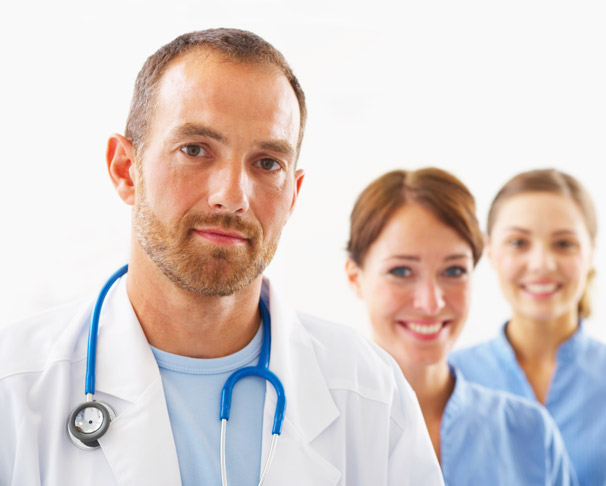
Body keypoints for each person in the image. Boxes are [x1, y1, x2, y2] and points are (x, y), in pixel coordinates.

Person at [0, 29, 444, 485]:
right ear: (124, 170)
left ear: (293, 193)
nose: (232, 196)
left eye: (267, 162)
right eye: (194, 150)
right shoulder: (13, 388)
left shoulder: (370, 394)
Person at [449, 168, 606, 486]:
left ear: (591, 252)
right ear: (489, 251)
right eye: (518, 242)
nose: (542, 263)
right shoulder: (450, 380)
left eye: (564, 244)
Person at [345, 168, 578, 485]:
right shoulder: (316, 425)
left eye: (454, 270)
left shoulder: (530, 434)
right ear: (355, 277)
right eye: (401, 271)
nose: (431, 303)